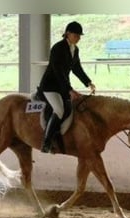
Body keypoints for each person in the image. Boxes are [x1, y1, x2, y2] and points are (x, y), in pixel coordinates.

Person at [37, 21, 96, 153]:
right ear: (67, 34)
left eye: (80, 36)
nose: (79, 38)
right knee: (59, 110)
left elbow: (77, 68)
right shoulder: (57, 48)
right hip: (50, 86)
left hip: (62, 86)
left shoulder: (75, 49)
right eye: (76, 35)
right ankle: (46, 142)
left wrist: (88, 82)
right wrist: (70, 89)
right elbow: (58, 72)